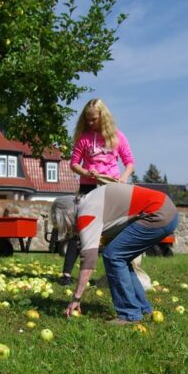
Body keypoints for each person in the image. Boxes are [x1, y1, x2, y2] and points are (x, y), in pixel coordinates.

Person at [51, 183, 177, 324]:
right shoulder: (90, 200)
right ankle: (142, 308)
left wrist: (76, 298)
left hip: (158, 214)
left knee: (113, 256)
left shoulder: (86, 212)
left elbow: (88, 262)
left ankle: (129, 314)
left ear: (66, 215)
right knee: (120, 257)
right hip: (166, 210)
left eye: (65, 225)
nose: (68, 229)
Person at [58, 99, 135, 286]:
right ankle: (67, 274)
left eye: (93, 119)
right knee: (80, 229)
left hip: (111, 187)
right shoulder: (84, 138)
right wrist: (86, 172)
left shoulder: (117, 137)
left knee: (117, 230)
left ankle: (121, 275)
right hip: (88, 187)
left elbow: (130, 162)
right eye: (88, 119)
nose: (90, 123)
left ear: (103, 116)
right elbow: (74, 164)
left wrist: (124, 178)